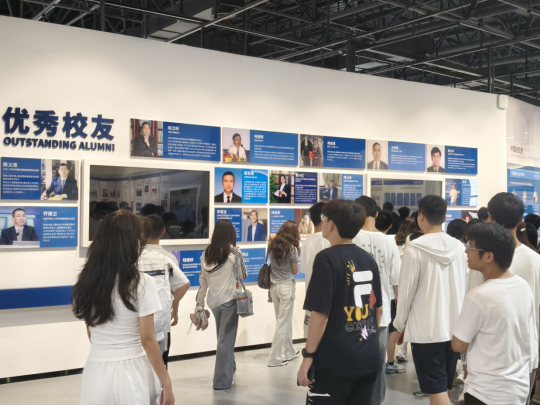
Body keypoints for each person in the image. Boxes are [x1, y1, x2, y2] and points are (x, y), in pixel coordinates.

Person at [72, 211, 175, 405]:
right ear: (129, 243)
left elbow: (91, 333)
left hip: (96, 370)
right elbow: (148, 340)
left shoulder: (86, 282)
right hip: (133, 370)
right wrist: (167, 383)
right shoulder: (142, 283)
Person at [297, 199, 383, 406]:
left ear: (332, 224)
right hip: (369, 356)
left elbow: (320, 315)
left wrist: (308, 356)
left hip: (335, 361)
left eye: (325, 218)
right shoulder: (368, 259)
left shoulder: (325, 259)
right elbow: (378, 310)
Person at [452, 222, 539, 406]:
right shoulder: (523, 286)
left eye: (471, 246)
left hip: (486, 391)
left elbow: (458, 344)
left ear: (488, 256)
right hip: (518, 387)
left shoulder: (478, 296)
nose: (466, 251)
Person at [393, 195, 468, 406]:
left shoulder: (414, 249)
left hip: (426, 331)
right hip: (454, 328)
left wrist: (399, 326)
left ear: (421, 216)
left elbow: (406, 293)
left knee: (437, 389)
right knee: (443, 386)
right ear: (444, 217)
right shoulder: (459, 247)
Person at [353, 197, 401, 403]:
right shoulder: (389, 242)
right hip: (382, 314)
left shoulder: (351, 238)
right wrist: (401, 319)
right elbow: (396, 281)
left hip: (354, 313)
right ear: (377, 214)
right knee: (379, 364)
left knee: (354, 362)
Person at [488, 193, 540, 362]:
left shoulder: (483, 259)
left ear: (490, 218)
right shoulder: (535, 259)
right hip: (527, 349)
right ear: (520, 221)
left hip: (490, 351)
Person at [196, 220, 248, 390]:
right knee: (225, 341)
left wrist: (200, 303)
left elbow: (203, 280)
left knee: (223, 338)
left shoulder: (207, 253)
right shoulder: (234, 252)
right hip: (229, 301)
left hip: (214, 303)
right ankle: (221, 381)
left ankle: (230, 367)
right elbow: (244, 275)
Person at [140, 215, 191, 368]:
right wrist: (174, 307)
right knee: (161, 363)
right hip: (162, 320)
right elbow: (181, 285)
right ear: (163, 231)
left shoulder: (134, 257)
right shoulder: (169, 258)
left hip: (139, 320)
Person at [268, 221, 301, 367]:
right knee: (283, 322)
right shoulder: (292, 249)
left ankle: (289, 350)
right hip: (286, 286)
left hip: (273, 287)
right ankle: (274, 357)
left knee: (282, 320)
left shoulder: (272, 245)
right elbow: (295, 271)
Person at [300, 202, 331, 337]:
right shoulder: (328, 241)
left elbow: (304, 269)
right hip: (326, 298)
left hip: (311, 295)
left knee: (311, 335)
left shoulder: (306, 242)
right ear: (324, 218)